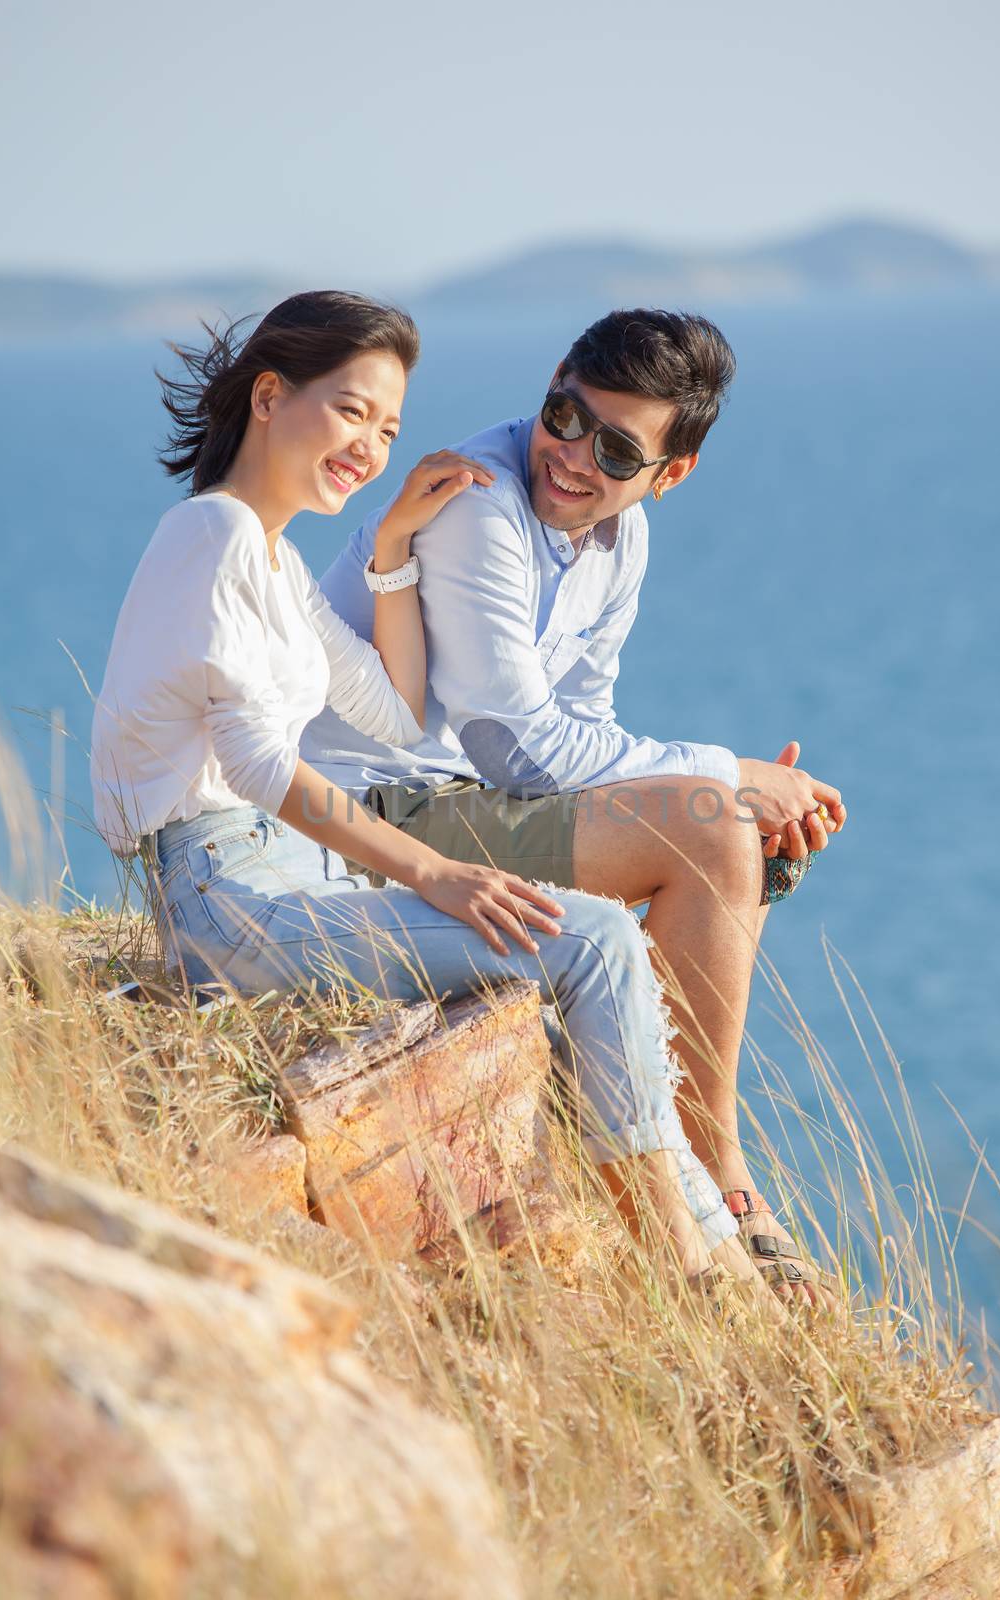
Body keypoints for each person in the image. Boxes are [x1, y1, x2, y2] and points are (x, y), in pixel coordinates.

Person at [90, 288, 781, 1312]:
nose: (369, 445)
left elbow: (399, 712)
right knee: (589, 941)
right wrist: (437, 872)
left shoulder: (273, 564)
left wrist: (391, 546)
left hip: (293, 876)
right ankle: (685, 1268)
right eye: (349, 410)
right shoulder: (213, 538)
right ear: (270, 397)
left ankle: (729, 1261)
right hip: (226, 894)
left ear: (667, 473)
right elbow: (255, 768)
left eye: (387, 427)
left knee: (606, 944)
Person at [301, 308, 847, 1300]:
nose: (571, 457)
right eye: (564, 414)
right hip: (361, 818)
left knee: (730, 834)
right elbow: (517, 744)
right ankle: (715, 1173)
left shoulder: (618, 538)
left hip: (458, 799)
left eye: (615, 449)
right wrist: (721, 777)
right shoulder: (479, 503)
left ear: (668, 474)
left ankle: (664, 1138)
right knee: (713, 822)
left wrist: (720, 796)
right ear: (551, 379)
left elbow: (580, 715)